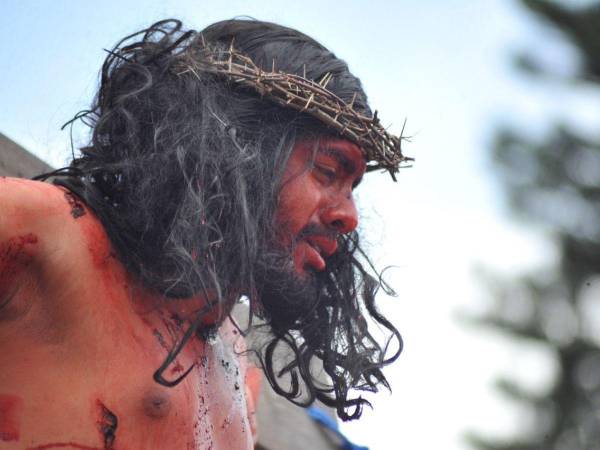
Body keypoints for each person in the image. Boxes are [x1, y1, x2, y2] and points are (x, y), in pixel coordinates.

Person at [0, 19, 408, 450]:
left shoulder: (235, 364)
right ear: (235, 148)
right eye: (327, 171)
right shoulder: (46, 238)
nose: (349, 216)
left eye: (352, 189)